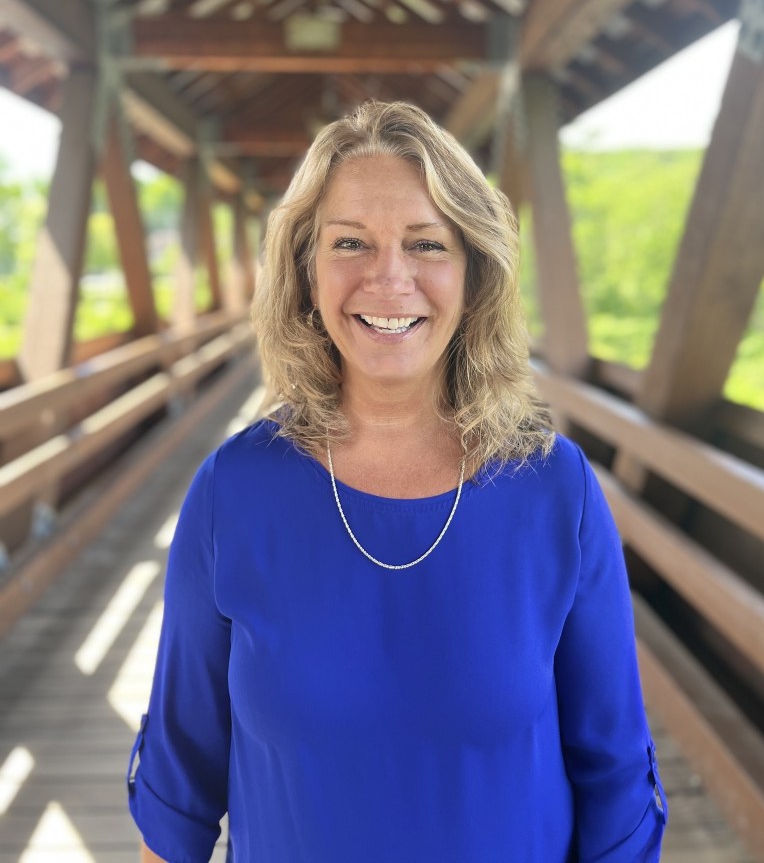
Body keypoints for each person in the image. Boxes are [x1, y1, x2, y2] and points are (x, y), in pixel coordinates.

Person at [127, 101, 667, 862]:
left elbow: (616, 787)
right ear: (305, 271)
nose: (389, 279)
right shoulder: (234, 494)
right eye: (351, 242)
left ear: (474, 274)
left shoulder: (553, 492)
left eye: (426, 243)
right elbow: (177, 792)